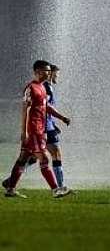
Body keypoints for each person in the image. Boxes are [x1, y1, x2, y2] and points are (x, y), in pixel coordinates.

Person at [2, 61, 72, 198]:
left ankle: (10, 189)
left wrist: (62, 117)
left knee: (23, 159)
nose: (49, 73)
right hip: (33, 130)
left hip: (39, 130)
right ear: (38, 71)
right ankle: (55, 190)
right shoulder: (31, 88)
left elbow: (46, 107)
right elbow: (25, 110)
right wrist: (25, 132)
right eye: (46, 70)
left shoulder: (42, 88)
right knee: (44, 159)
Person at [43, 64, 69, 192]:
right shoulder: (46, 88)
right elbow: (46, 107)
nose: (58, 76)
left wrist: (53, 124)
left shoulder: (49, 87)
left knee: (32, 156)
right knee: (56, 153)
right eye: (56, 74)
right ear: (51, 73)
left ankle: (11, 180)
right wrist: (62, 118)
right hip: (45, 126)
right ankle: (60, 186)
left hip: (48, 125)